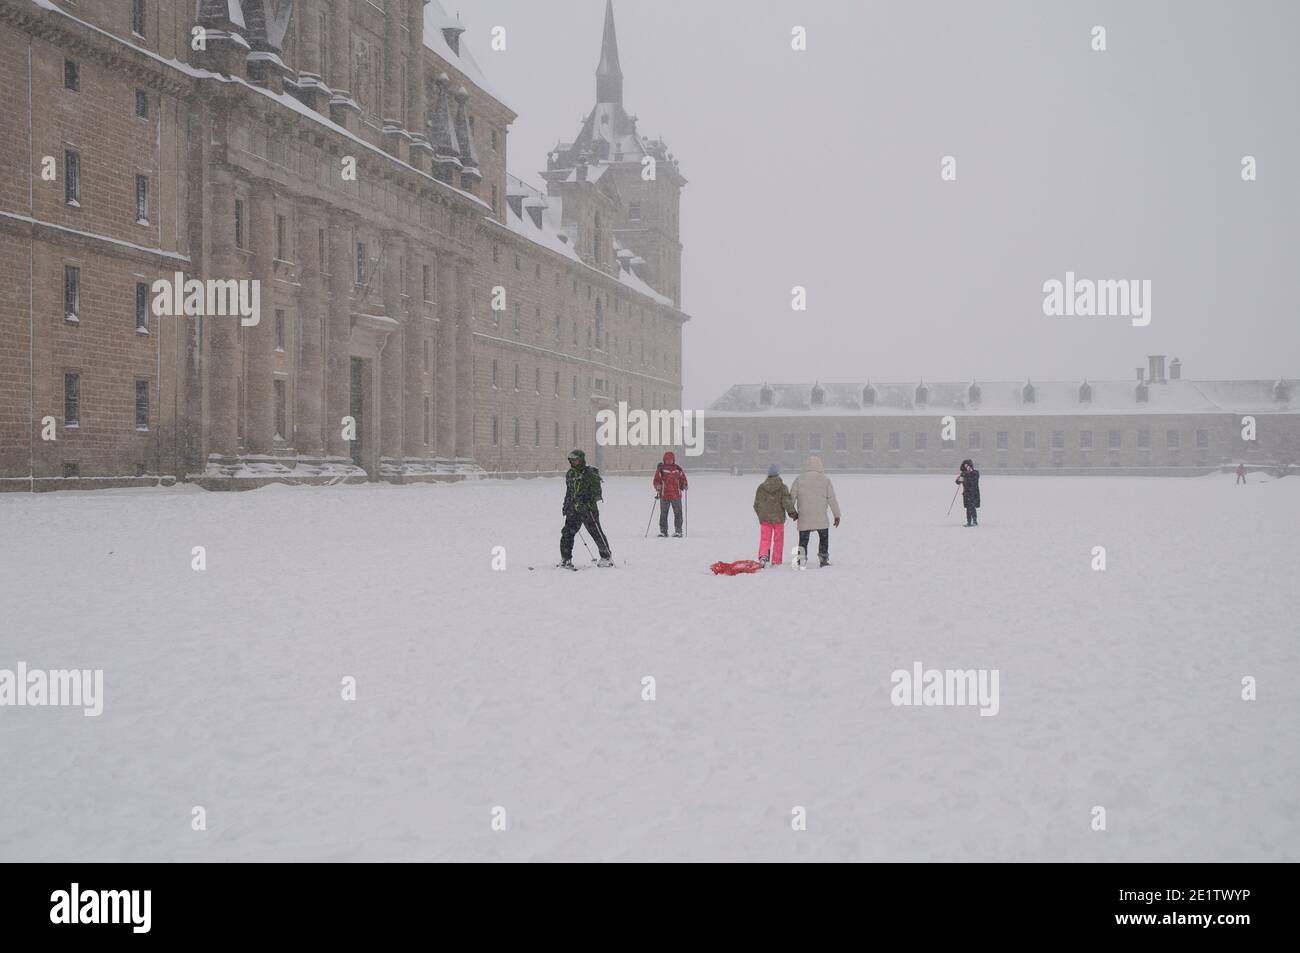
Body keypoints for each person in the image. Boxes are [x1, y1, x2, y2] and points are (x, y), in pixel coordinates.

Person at [560, 449, 613, 567]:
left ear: (581, 460)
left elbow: (597, 491)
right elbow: (569, 491)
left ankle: (606, 557)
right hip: (573, 510)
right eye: (571, 460)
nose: (573, 462)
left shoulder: (589, 473)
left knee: (595, 532)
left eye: (576, 460)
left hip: (588, 510)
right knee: (567, 533)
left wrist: (586, 499)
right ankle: (566, 559)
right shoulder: (570, 474)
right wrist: (566, 505)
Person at [790, 456, 840, 567]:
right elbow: (832, 499)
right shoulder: (825, 480)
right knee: (823, 538)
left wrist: (792, 512)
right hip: (820, 516)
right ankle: (823, 559)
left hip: (804, 516)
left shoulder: (799, 479)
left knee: (803, 539)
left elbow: (791, 499)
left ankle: (801, 560)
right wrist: (837, 515)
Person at [753, 464, 798, 568]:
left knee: (765, 539)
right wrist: (793, 513)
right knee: (778, 540)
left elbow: (756, 504)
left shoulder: (761, 487)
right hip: (778, 518)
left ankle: (763, 556)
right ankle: (776, 561)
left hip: (765, 518)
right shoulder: (782, 487)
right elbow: (786, 502)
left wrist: (761, 514)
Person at [652, 450, 688, 537]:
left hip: (676, 495)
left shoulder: (678, 469)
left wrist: (684, 485)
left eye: (671, 459)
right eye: (667, 459)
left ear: (673, 460)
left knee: (678, 513)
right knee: (663, 514)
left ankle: (678, 531)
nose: (669, 461)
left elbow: (683, 478)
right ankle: (663, 531)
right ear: (664, 460)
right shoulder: (661, 469)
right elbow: (656, 480)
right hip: (664, 495)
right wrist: (657, 486)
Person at [956, 458, 980, 526]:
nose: (966, 467)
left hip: (973, 493)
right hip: (966, 493)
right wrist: (959, 479)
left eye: (967, 465)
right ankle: (969, 521)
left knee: (972, 507)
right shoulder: (963, 474)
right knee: (968, 508)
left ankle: (975, 521)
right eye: (965, 465)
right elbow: (957, 482)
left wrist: (969, 473)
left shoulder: (975, 473)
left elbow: (974, 479)